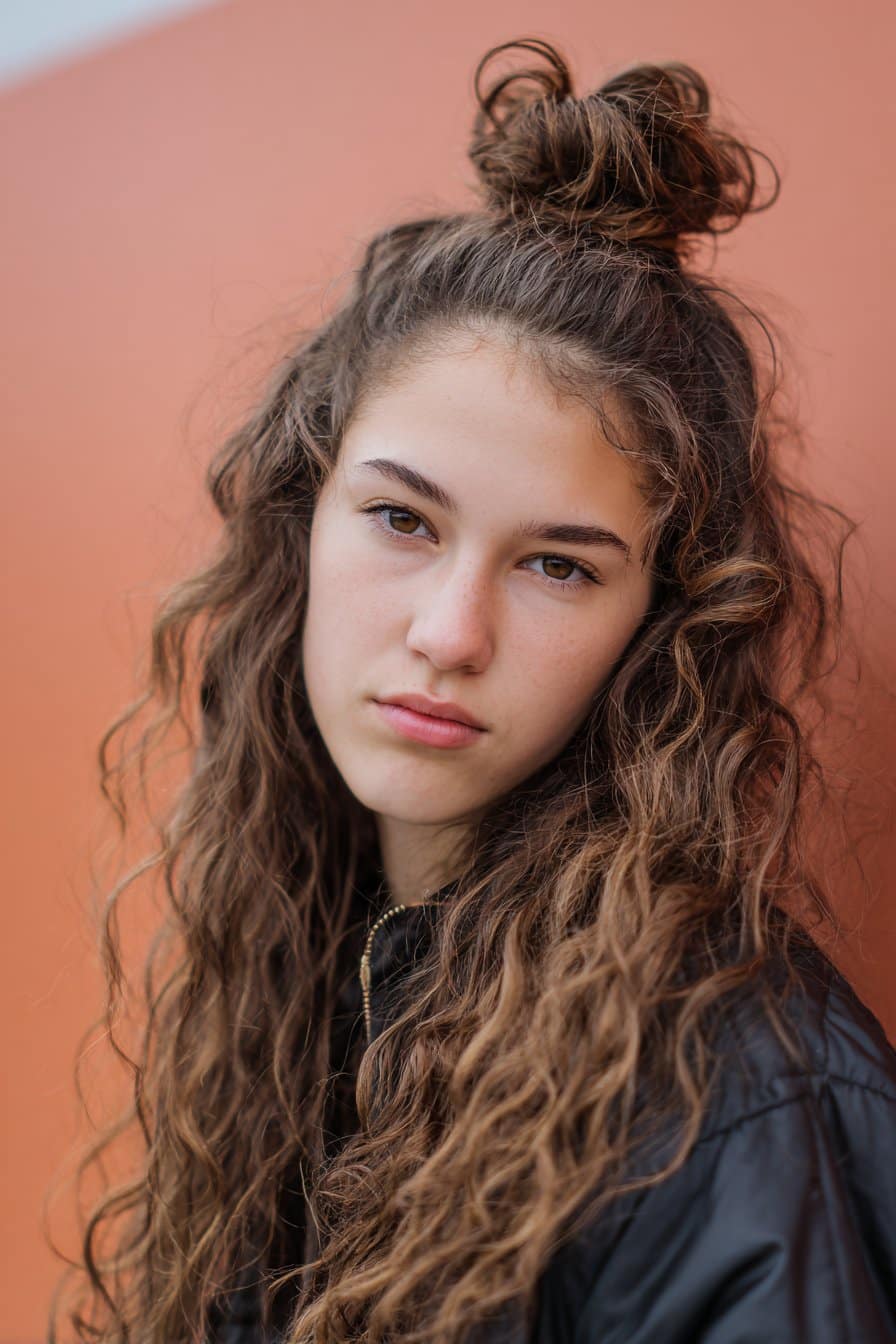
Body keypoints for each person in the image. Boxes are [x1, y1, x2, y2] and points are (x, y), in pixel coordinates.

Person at [48, 35, 896, 1344]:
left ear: (655, 624)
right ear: (304, 518)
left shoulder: (729, 1087)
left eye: (559, 565)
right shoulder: (314, 959)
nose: (452, 633)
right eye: (403, 520)